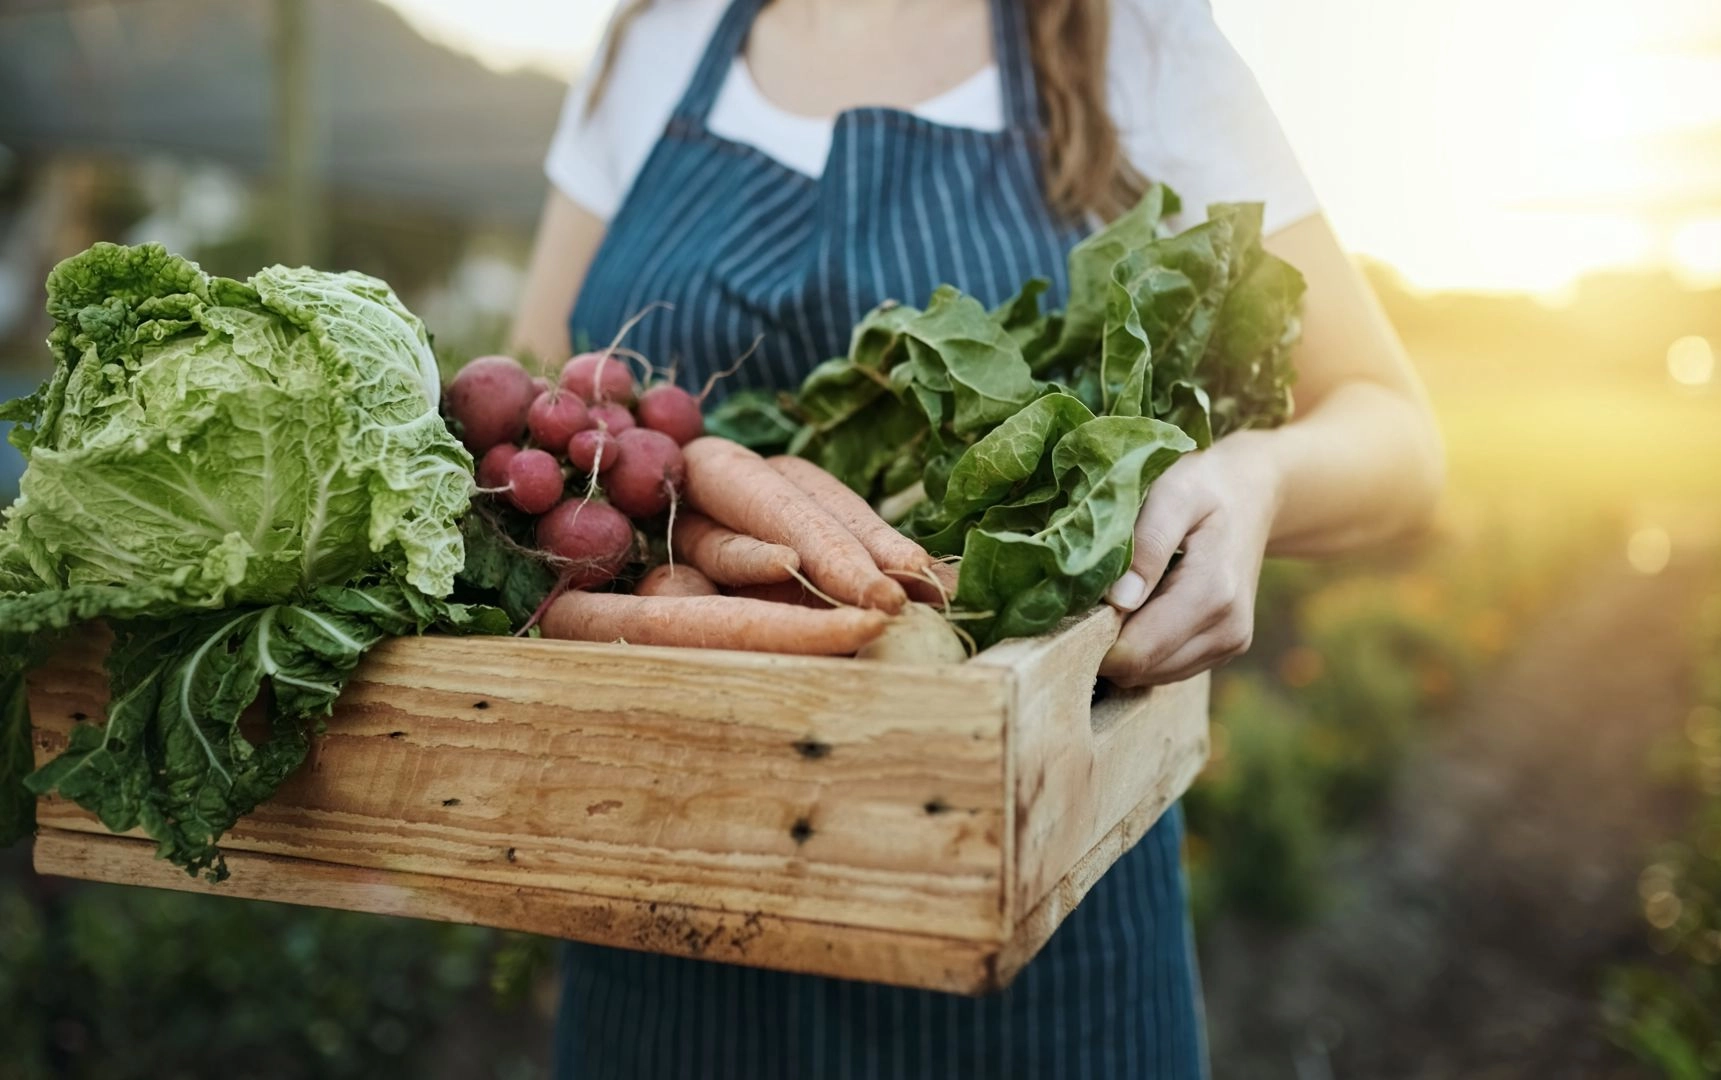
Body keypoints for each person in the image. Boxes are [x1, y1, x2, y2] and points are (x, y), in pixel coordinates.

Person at [509, 0, 1444, 1075]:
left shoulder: (1133, 38)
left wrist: (1256, 475)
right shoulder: (660, 38)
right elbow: (539, 408)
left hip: (1035, 936)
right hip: (661, 912)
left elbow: (1399, 432)